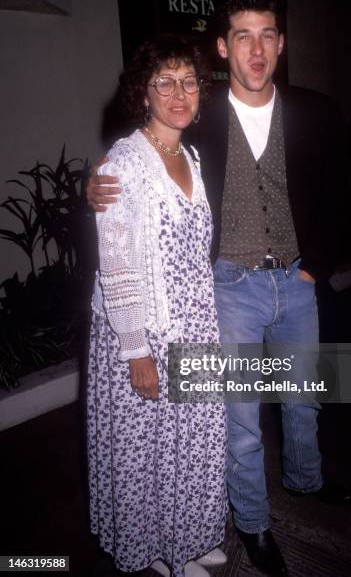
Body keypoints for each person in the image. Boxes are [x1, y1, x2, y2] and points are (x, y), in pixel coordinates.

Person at [87, 0, 351, 577]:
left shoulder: (318, 111)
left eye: (266, 36)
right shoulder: (198, 115)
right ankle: (254, 526)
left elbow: (342, 192)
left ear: (280, 44)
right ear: (224, 47)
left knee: (305, 406)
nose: (255, 51)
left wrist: (318, 266)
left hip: (297, 281)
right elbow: (139, 154)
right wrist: (94, 180)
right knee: (241, 420)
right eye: (242, 37)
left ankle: (307, 482)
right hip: (228, 288)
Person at [86, 34, 228, 577]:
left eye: (188, 81)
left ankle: (189, 537)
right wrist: (135, 350)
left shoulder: (187, 153)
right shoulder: (125, 162)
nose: (178, 92)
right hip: (147, 331)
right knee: (153, 456)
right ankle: (163, 552)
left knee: (193, 444)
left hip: (194, 325)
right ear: (142, 93)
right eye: (163, 81)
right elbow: (117, 264)